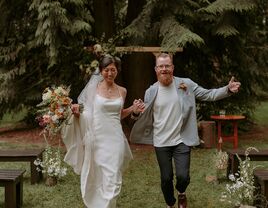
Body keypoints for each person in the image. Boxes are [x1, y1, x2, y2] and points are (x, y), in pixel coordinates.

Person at [130, 53, 241, 208]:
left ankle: (181, 192)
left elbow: (208, 94)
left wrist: (227, 90)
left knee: (183, 176)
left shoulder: (186, 84)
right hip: (161, 141)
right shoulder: (151, 91)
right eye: (161, 66)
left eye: (167, 66)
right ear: (156, 69)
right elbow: (142, 115)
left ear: (172, 67)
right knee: (166, 178)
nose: (164, 69)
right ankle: (170, 203)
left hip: (182, 139)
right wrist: (135, 112)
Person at [61, 54, 142, 208]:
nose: (110, 73)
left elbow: (118, 115)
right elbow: (87, 113)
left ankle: (109, 203)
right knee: (98, 174)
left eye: (113, 70)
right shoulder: (94, 89)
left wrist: (132, 109)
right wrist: (78, 113)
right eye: (106, 70)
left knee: (114, 176)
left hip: (116, 138)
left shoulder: (122, 91)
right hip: (97, 137)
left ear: (117, 71)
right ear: (101, 71)